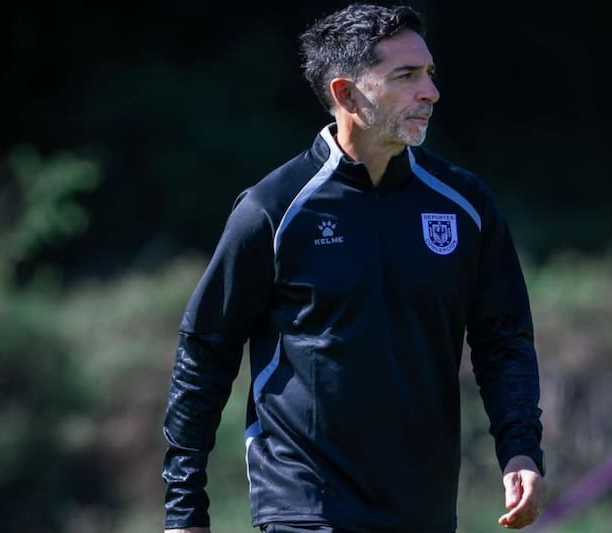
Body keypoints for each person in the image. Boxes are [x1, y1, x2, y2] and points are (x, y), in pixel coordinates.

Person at [162, 3, 546, 532]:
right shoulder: (273, 210)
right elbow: (205, 349)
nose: (429, 92)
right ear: (346, 94)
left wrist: (521, 450)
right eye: (406, 76)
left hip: (423, 509)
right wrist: (184, 508)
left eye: (429, 74)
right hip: (305, 503)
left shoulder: (464, 204)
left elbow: (504, 339)